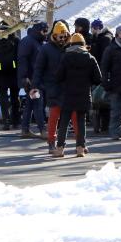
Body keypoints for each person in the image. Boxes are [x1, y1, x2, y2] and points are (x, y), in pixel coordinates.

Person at [53, 33, 101, 158]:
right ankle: (80, 148)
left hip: (68, 94)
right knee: (81, 121)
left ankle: (60, 149)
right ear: (83, 44)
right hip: (84, 94)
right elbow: (98, 78)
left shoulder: (66, 57)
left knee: (64, 122)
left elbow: (58, 77)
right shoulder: (90, 58)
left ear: (71, 44)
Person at [32, 21, 75, 154]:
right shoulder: (46, 49)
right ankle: (51, 141)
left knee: (73, 116)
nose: (62, 39)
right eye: (60, 37)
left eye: (64, 36)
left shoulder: (71, 47)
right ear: (54, 36)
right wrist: (35, 86)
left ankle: (79, 143)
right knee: (54, 116)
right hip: (53, 86)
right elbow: (38, 68)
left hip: (69, 86)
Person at [101, 25, 121, 140]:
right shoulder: (110, 49)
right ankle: (114, 132)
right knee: (116, 110)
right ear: (117, 34)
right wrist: (105, 81)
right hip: (115, 82)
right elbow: (104, 66)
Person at [17, 22, 47, 138]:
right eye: (44, 31)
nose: (46, 33)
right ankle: (42, 130)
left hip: (36, 78)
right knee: (38, 104)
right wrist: (25, 78)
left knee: (30, 104)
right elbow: (22, 60)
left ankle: (25, 129)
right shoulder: (29, 42)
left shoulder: (37, 41)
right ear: (39, 30)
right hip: (32, 80)